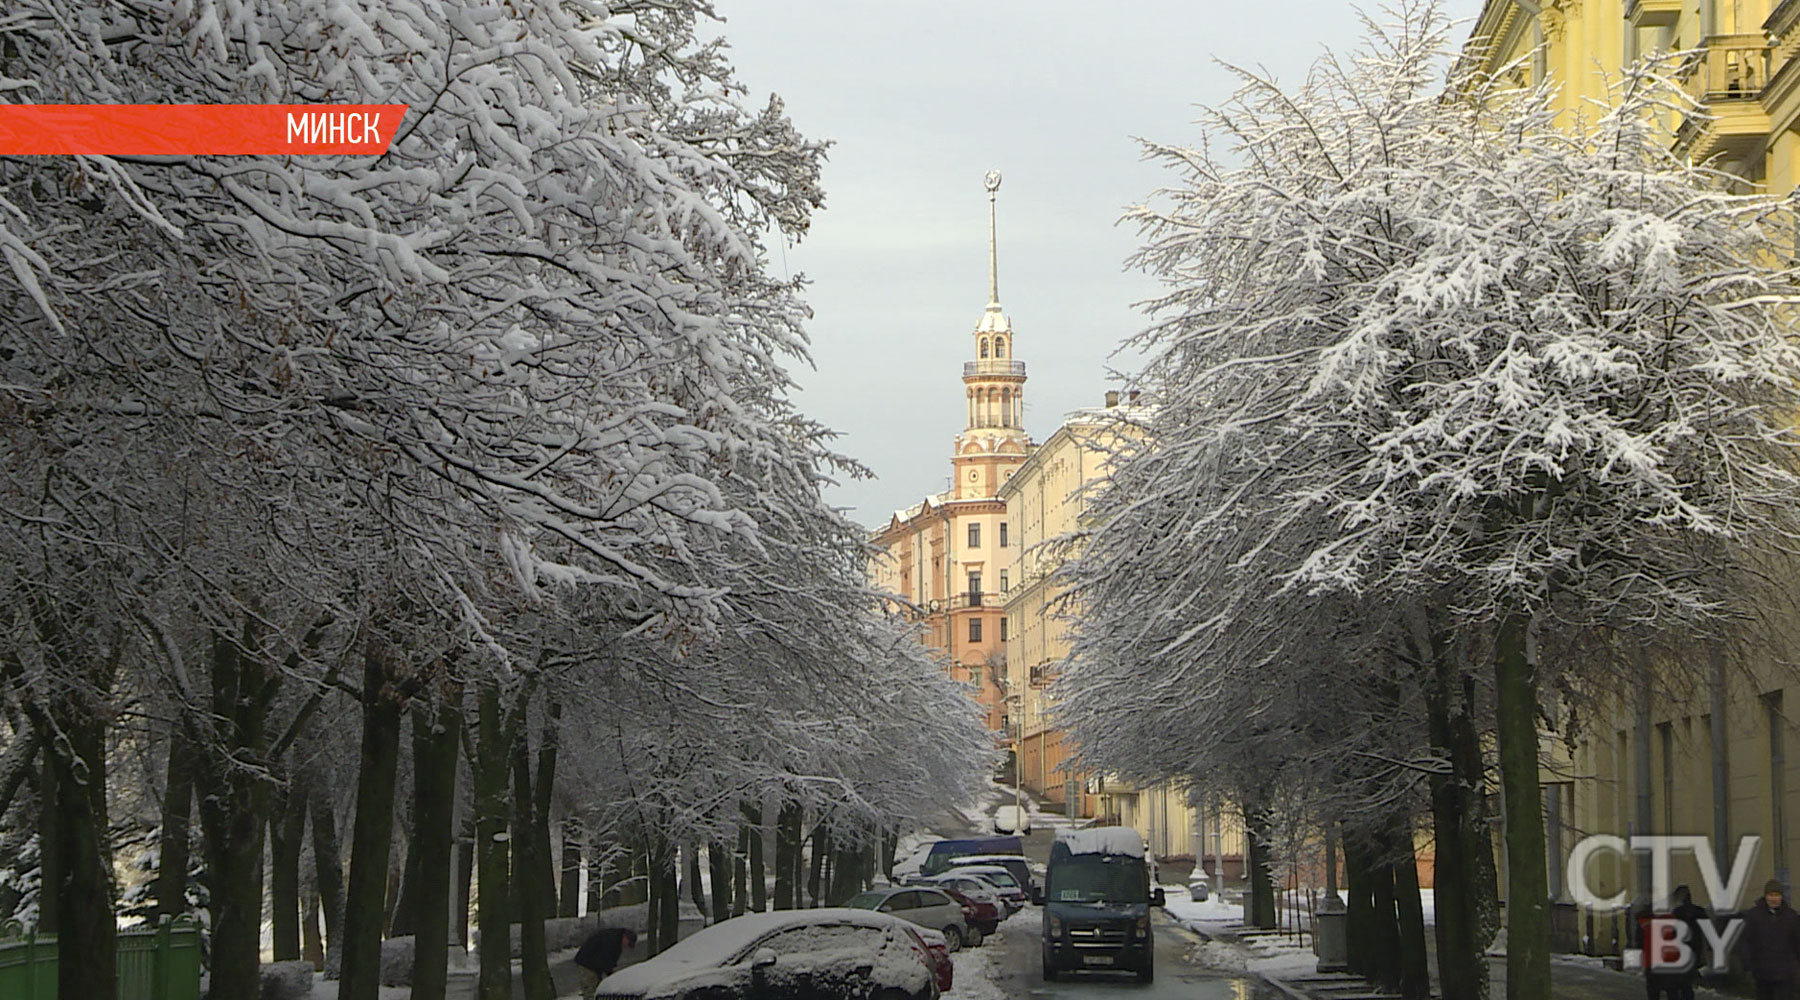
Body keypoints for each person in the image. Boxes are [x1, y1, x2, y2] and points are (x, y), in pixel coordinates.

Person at [1740, 879, 1800, 1000]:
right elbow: (1746, 941)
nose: (1773, 898)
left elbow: (1797, 941)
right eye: (1770, 895)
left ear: (1781, 897)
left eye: (1777, 895)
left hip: (1785, 972)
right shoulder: (1754, 915)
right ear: (1765, 896)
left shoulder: (1791, 916)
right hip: (1762, 971)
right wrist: (1747, 963)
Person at [574, 926, 638, 994]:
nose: (627, 946)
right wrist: (611, 971)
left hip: (595, 965)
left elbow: (611, 960)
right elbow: (605, 958)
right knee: (591, 990)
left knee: (597, 989)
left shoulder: (617, 940)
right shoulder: (611, 939)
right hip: (587, 963)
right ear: (625, 937)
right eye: (628, 944)